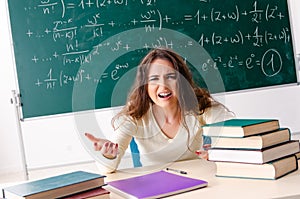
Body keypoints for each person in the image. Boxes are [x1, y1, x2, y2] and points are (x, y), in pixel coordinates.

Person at [85, 47, 235, 173]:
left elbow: (237, 132)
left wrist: (220, 152)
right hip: (155, 187)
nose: (163, 86)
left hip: (199, 182)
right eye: (154, 78)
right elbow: (107, 170)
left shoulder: (199, 104)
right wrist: (108, 154)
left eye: (170, 76)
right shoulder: (136, 113)